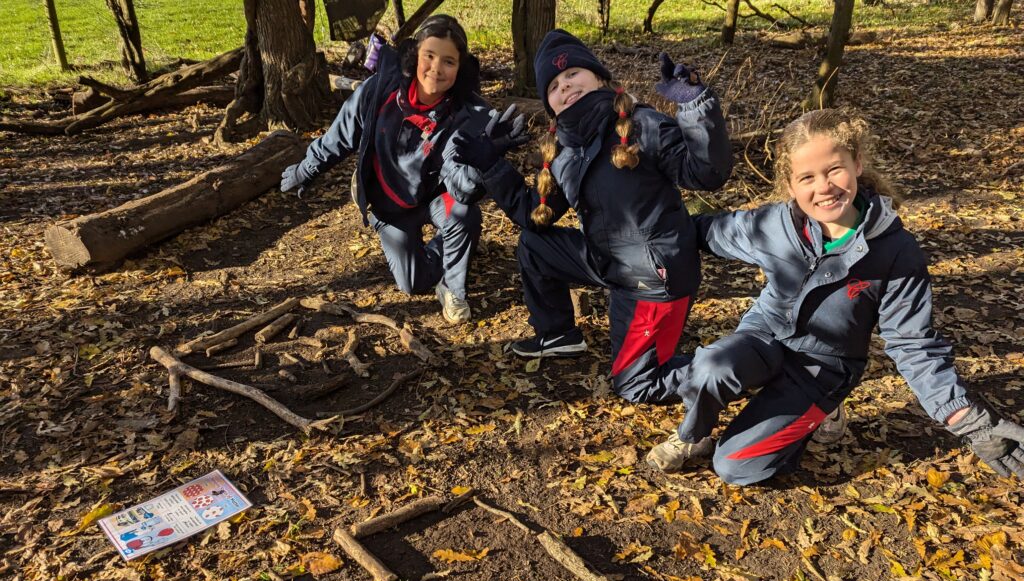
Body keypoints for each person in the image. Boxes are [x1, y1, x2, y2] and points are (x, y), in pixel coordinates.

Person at [646, 108, 1024, 484]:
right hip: (763, 336)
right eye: (807, 177)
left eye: (834, 170)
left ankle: (820, 409)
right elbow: (703, 231)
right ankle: (692, 437)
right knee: (712, 364)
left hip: (824, 366)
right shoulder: (773, 225)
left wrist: (962, 416)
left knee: (736, 467)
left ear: (857, 164)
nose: (823, 187)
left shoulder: (895, 252)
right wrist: (636, 232)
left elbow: (913, 344)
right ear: (791, 186)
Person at [452, 30, 732, 403]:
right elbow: (533, 215)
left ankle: (743, 361)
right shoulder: (565, 152)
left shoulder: (640, 126)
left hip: (655, 280)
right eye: (553, 85)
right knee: (534, 245)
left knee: (635, 386)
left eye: (572, 75)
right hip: (609, 262)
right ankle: (557, 334)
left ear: (599, 78)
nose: (565, 86)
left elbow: (707, 173)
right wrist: (491, 164)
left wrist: (695, 104)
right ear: (550, 105)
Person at [280, 16, 521, 324]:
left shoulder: (470, 115)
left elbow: (463, 187)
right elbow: (340, 136)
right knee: (413, 284)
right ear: (414, 55)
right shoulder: (379, 92)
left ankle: (452, 284)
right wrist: (307, 169)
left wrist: (486, 161)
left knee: (462, 212)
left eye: (448, 61)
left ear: (460, 69)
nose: (436, 68)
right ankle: (448, 253)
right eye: (429, 56)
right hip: (389, 203)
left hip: (435, 196)